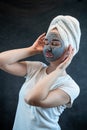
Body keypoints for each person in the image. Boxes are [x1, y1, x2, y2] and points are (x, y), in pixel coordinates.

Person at [0, 15, 81, 130]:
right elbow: (1, 62)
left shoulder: (70, 87)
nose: (48, 47)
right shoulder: (36, 68)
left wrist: (59, 70)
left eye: (55, 43)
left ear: (70, 48)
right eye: (47, 42)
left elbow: (32, 99)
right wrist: (32, 50)